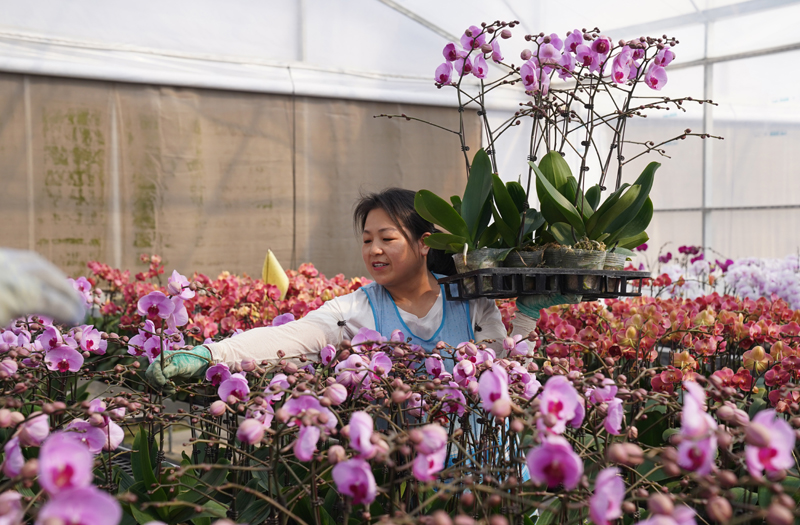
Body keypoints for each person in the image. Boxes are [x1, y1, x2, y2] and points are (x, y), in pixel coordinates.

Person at [146, 188, 509, 393]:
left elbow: (507, 365)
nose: (374, 250)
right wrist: (208, 355)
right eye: (367, 240)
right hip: (404, 479)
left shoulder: (471, 301)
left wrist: (526, 315)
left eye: (387, 238)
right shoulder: (354, 312)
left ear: (425, 242)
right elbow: (289, 337)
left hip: (484, 464)